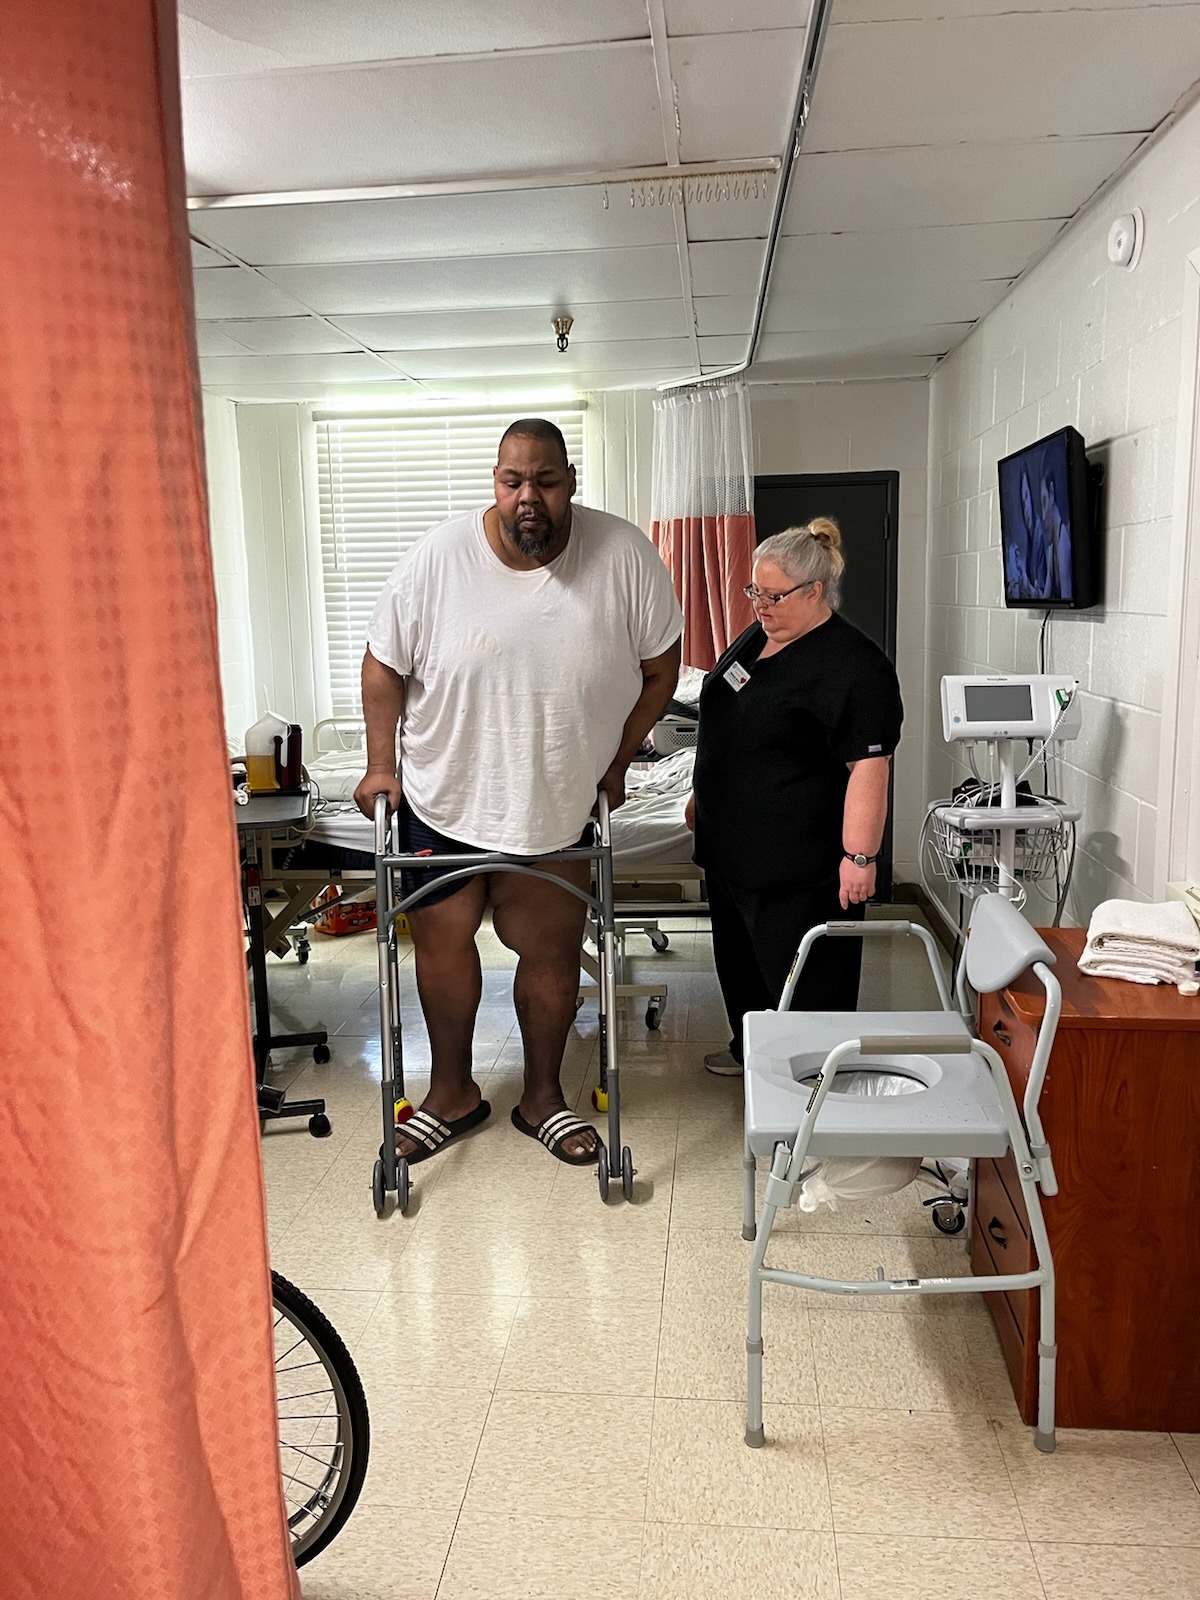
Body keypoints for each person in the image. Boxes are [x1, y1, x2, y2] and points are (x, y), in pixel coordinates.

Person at [353, 419, 682, 1166]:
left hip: (556, 800)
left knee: (551, 953)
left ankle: (542, 1098)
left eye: (546, 481)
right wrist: (379, 765)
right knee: (441, 949)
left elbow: (662, 669)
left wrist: (617, 763)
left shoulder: (623, 554)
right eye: (512, 481)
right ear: (495, 482)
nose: (528, 497)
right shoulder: (438, 559)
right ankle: (450, 1094)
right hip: (443, 794)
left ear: (571, 482)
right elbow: (383, 664)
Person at [685, 518, 903, 1076]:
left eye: (773, 595)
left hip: (798, 866)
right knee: (740, 966)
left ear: (815, 591)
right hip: (732, 852)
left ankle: (812, 1080)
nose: (760, 605)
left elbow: (869, 768)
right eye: (754, 591)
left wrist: (861, 858)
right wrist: (703, 796)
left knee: (805, 978)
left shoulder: (854, 667)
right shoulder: (760, 636)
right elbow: (727, 720)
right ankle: (753, 1053)